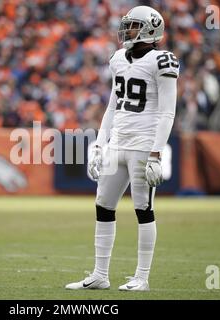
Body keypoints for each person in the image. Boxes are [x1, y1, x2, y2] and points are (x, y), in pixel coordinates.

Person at [65, 6, 179, 291]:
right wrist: (100, 144)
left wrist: (156, 152)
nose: (127, 31)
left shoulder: (162, 61)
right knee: (103, 205)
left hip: (143, 144)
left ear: (150, 29)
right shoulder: (117, 58)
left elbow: (167, 113)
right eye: (127, 25)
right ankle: (100, 274)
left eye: (133, 26)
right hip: (118, 142)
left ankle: (142, 277)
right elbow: (113, 106)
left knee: (143, 208)